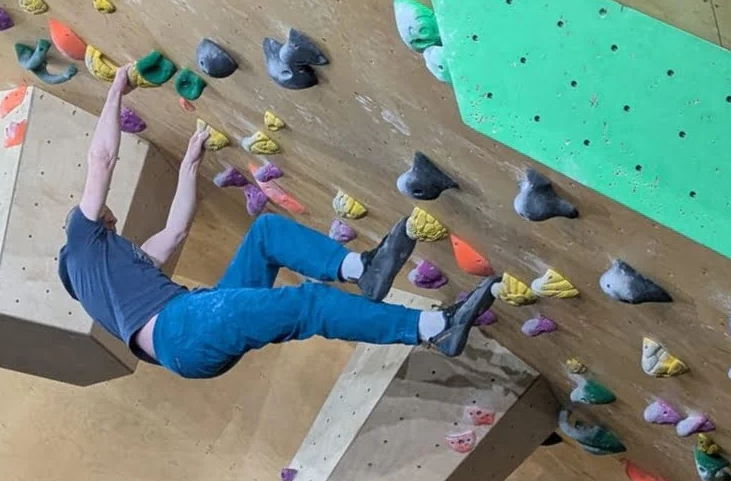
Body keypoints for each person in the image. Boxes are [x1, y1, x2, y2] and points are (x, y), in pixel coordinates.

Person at [58, 65, 498, 379]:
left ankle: (361, 269)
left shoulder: (112, 282)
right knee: (306, 305)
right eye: (103, 220)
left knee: (265, 235)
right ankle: (432, 329)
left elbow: (174, 233)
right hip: (185, 327)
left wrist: (190, 167)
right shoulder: (80, 240)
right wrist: (115, 91)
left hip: (188, 334)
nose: (111, 219)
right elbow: (102, 159)